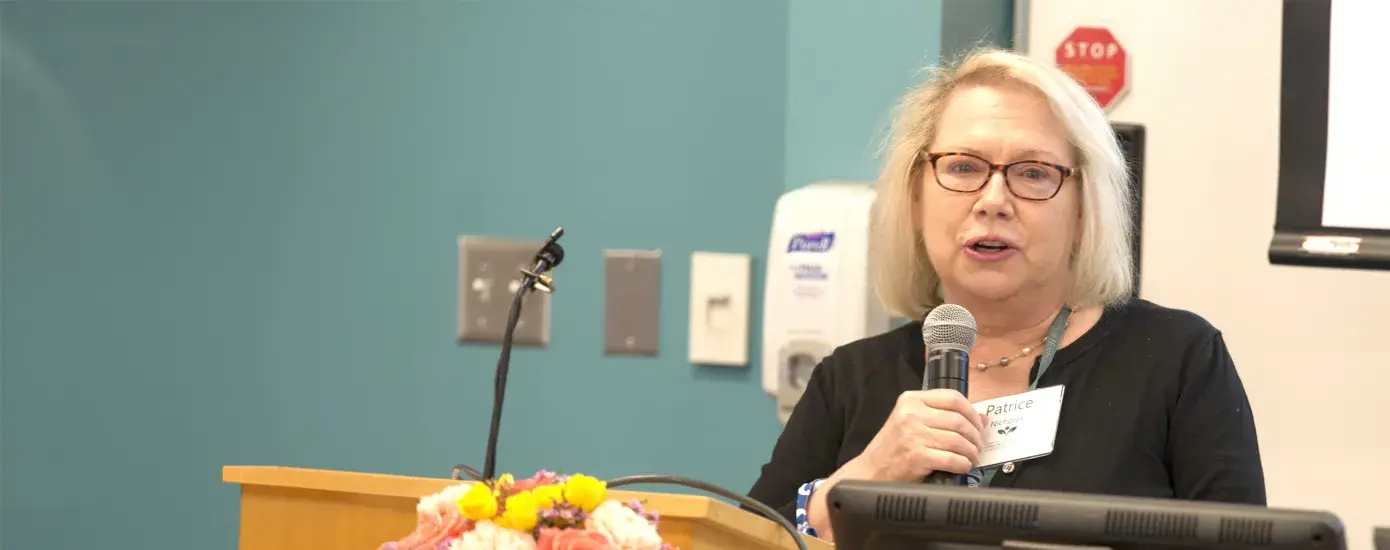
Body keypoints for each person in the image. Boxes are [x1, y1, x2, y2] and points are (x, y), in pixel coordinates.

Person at [746, 47, 1265, 542]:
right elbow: (740, 540)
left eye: (1033, 173)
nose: (993, 201)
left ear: (1084, 210)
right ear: (917, 196)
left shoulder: (1176, 360)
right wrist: (866, 477)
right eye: (964, 167)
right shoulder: (849, 380)